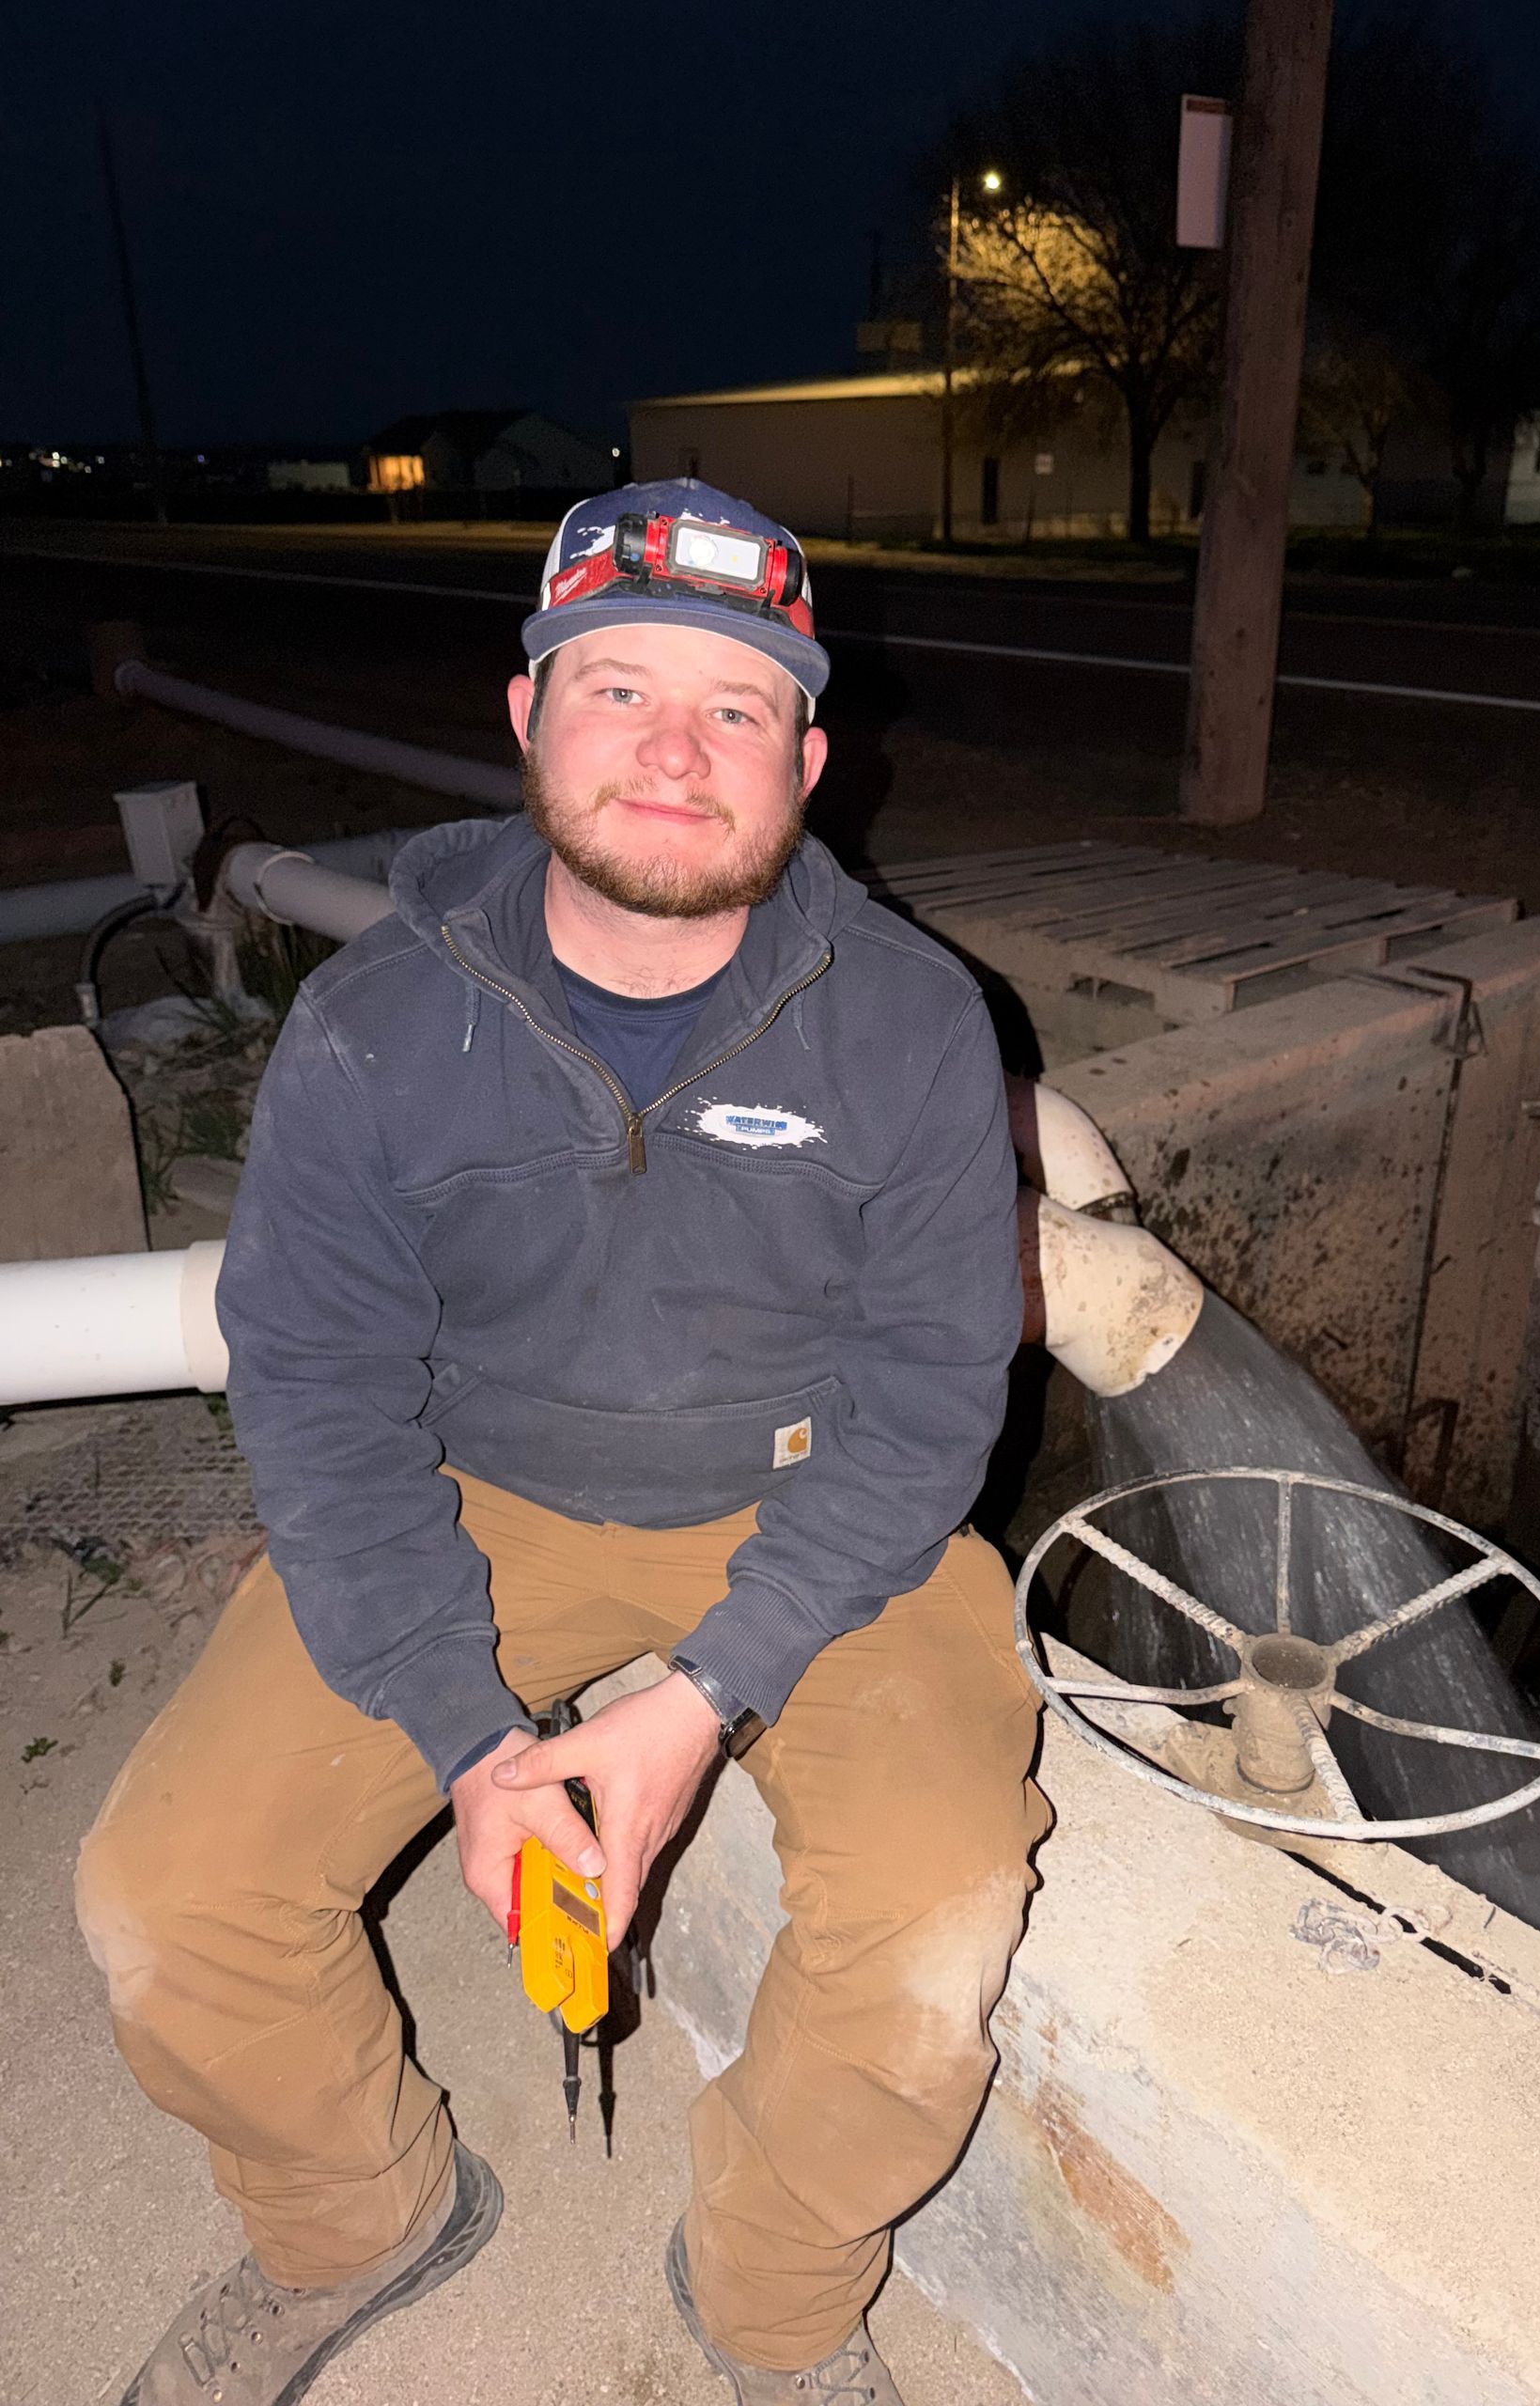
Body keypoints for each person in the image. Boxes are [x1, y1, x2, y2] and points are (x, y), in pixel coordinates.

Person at [76, 479, 1049, 2406]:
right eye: (618, 687)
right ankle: (365, 2211)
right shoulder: (366, 1028)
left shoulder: (925, 1029)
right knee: (165, 1899)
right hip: (475, 1490)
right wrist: (464, 1728)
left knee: (938, 1928)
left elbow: (934, 1397)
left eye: (737, 707)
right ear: (528, 716)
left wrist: (698, 1702)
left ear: (810, 761)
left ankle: (770, 2299)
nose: (675, 750)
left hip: (816, 1503)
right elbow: (323, 1394)